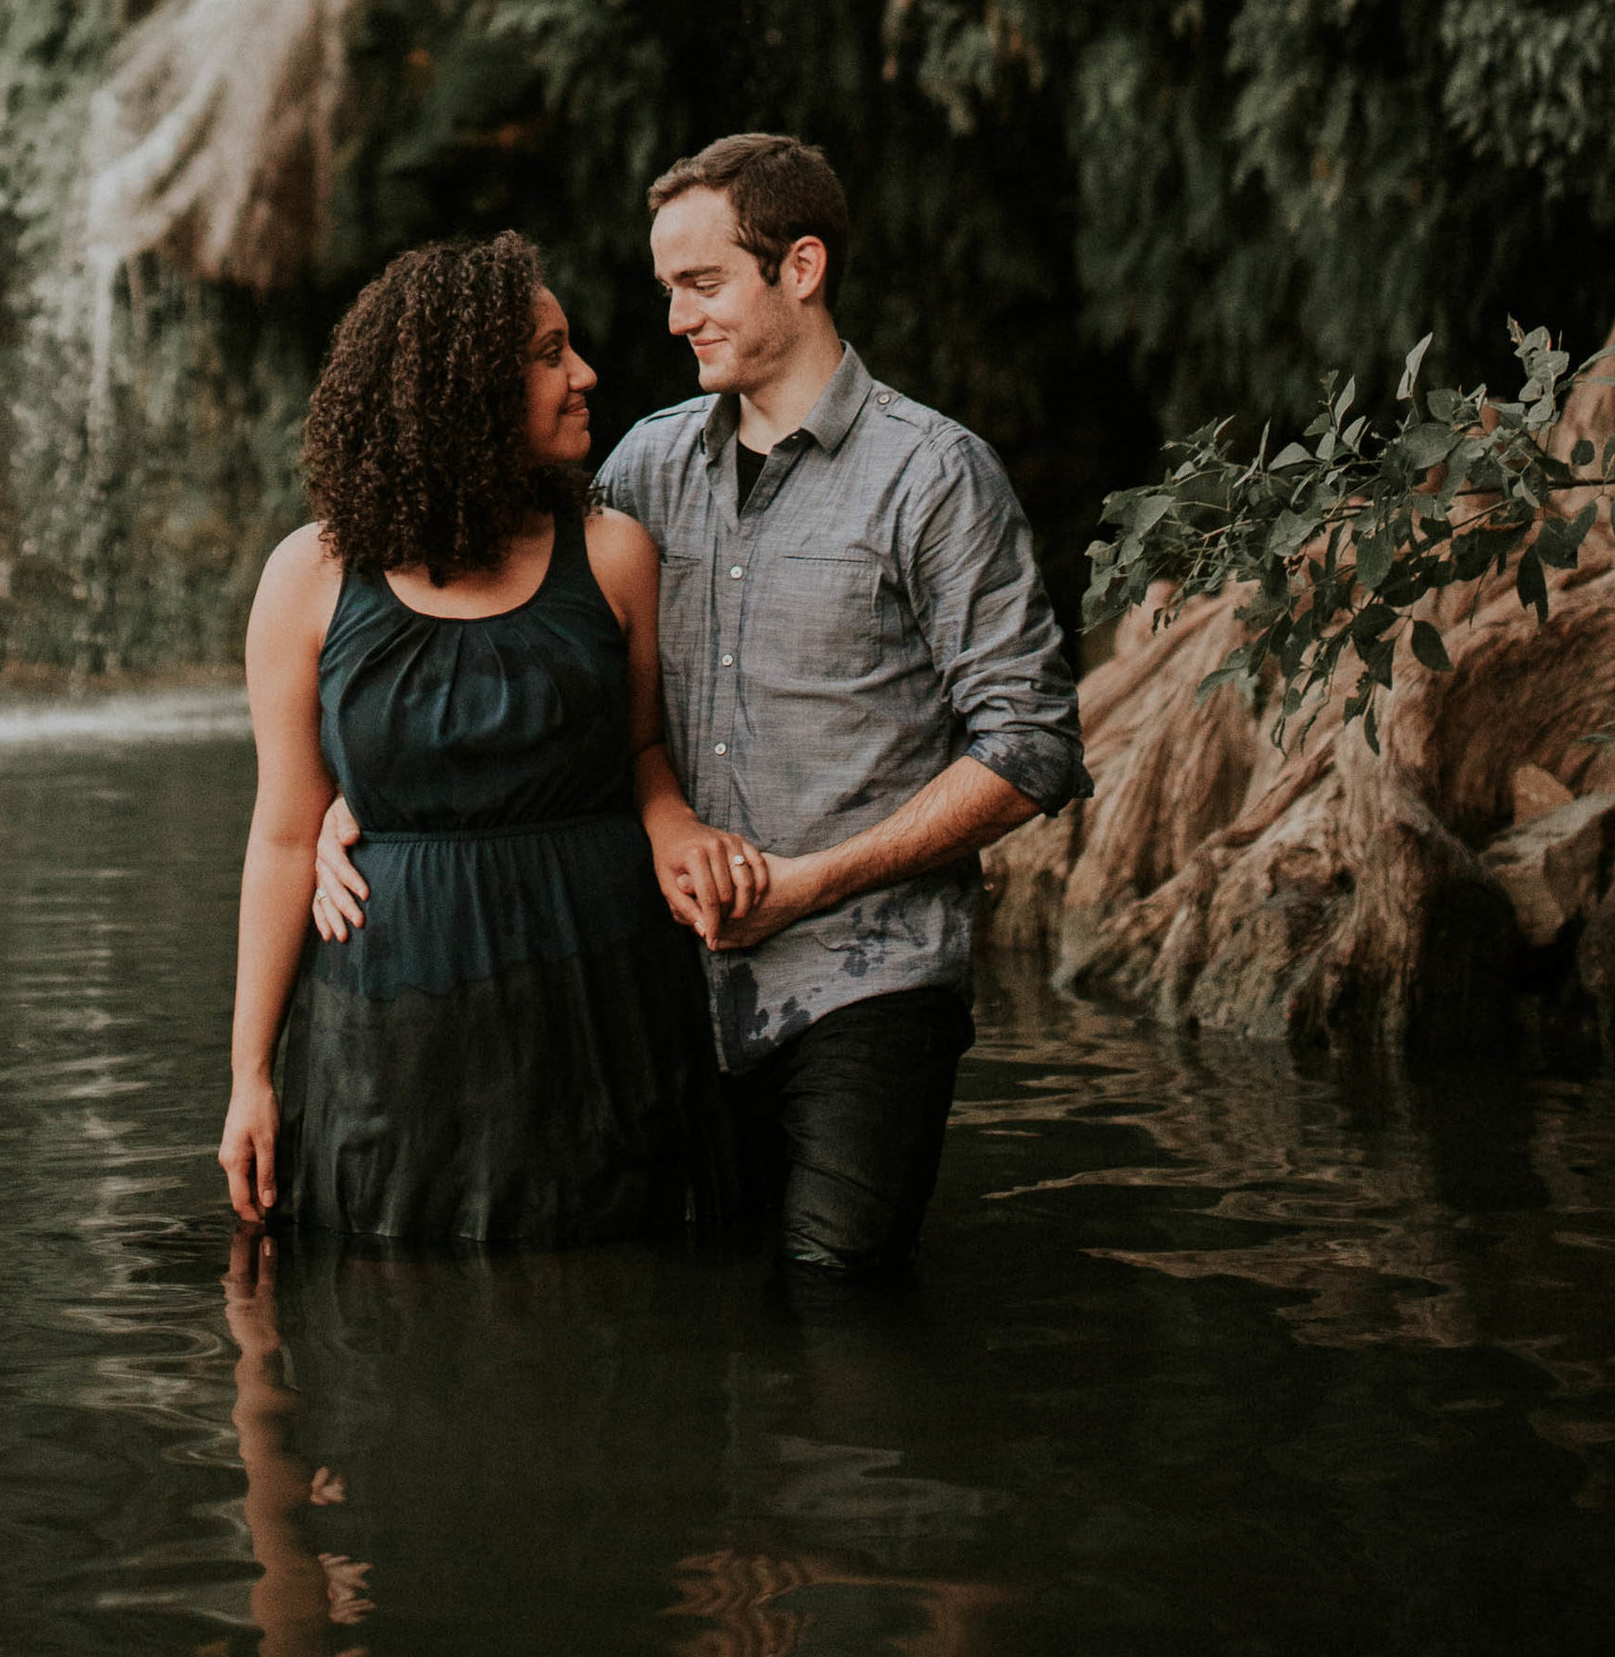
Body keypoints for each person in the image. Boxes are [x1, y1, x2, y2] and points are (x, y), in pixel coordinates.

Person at [315, 134, 1087, 1285]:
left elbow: (1031, 746)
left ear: (803, 267)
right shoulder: (640, 469)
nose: (673, 318)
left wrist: (811, 885)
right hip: (659, 986)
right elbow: (515, 656)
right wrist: (355, 794)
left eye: (702, 282)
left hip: (863, 980)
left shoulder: (935, 476)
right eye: (665, 287)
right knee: (698, 1303)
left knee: (837, 1300)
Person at [219, 230, 762, 1249]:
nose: (585, 373)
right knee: (394, 1311)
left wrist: (676, 822)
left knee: (623, 1295)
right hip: (394, 1015)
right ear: (464, 389)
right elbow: (286, 836)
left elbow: (645, 754)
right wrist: (249, 1075)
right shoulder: (309, 576)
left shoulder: (614, 553)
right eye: (549, 353)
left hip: (602, 1001)